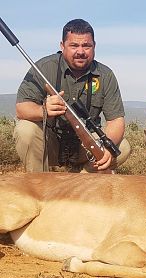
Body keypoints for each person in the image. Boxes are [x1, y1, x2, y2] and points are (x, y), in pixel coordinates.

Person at [14, 19, 131, 173]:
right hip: (52, 143)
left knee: (122, 147)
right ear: (62, 46)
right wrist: (44, 110)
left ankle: (81, 180)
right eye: (74, 45)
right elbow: (21, 109)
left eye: (86, 46)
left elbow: (116, 120)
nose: (81, 51)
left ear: (94, 46)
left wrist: (107, 148)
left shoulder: (105, 75)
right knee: (25, 129)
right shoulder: (43, 67)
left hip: (85, 145)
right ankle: (40, 185)